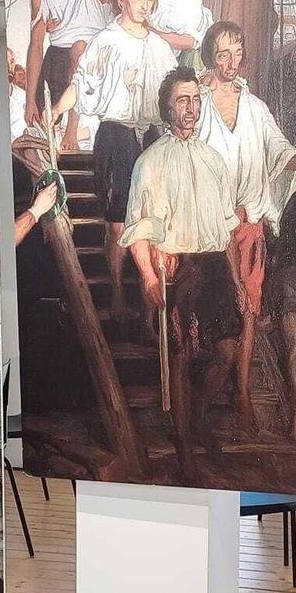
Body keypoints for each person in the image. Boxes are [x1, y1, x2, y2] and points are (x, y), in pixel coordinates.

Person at [197, 21, 296, 439]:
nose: (231, 62)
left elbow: (281, 154)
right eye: (223, 54)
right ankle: (206, 402)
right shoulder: (198, 101)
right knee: (219, 316)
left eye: (237, 53)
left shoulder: (255, 107)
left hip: (249, 230)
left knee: (248, 315)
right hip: (209, 231)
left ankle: (243, 394)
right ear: (211, 54)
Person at [120, 67, 240, 477]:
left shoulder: (214, 159)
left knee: (226, 353)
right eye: (182, 100)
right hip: (176, 268)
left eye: (195, 99)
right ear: (166, 107)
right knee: (181, 360)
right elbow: (138, 230)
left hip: (215, 267)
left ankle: (199, 419)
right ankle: (184, 443)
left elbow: (226, 229)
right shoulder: (149, 162)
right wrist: (150, 279)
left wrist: (236, 283)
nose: (190, 108)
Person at [51, 0, 178, 319]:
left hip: (152, 136)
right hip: (116, 136)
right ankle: (119, 294)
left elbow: (176, 93)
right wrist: (59, 108)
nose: (144, 4)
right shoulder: (106, 40)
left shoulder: (159, 47)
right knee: (119, 223)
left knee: (153, 224)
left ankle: (149, 317)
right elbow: (82, 83)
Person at [25, 0, 110, 151]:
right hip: (60, 65)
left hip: (98, 60)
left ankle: (73, 130)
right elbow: (35, 45)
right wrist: (29, 100)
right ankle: (66, 130)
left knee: (82, 49)